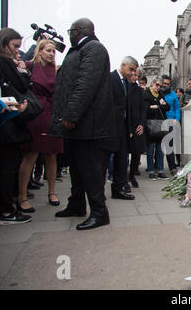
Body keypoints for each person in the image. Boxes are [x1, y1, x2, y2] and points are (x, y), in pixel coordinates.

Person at [49, 18, 114, 231]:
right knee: (76, 169)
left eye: (70, 30)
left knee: (91, 171)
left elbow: (85, 85)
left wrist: (71, 114)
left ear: (77, 31)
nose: (68, 34)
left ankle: (99, 212)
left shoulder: (93, 48)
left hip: (89, 125)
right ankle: (76, 204)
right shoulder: (81, 48)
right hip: (79, 126)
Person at [0, 22, 32, 225]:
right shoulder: (1, 60)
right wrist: (22, 71)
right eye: (15, 46)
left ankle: (4, 206)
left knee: (8, 164)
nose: (17, 50)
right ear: (3, 43)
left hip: (3, 118)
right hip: (5, 125)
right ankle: (4, 210)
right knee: (8, 165)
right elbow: (22, 84)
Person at [17, 39, 64, 213]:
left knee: (52, 155)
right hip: (36, 111)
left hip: (53, 112)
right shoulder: (29, 66)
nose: (52, 54)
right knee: (31, 154)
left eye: (54, 51)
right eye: (48, 50)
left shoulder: (57, 70)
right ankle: (22, 195)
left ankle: (52, 192)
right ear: (40, 50)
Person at [101, 56, 140, 200]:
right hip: (109, 127)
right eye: (130, 69)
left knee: (122, 161)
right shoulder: (110, 79)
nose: (132, 73)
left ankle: (118, 189)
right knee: (104, 161)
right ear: (123, 65)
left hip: (123, 129)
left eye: (134, 71)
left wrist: (130, 128)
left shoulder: (128, 84)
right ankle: (99, 192)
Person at [144, 76, 170, 180]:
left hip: (160, 125)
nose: (158, 87)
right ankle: (151, 171)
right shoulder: (146, 93)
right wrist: (159, 106)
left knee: (160, 150)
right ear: (152, 84)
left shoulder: (161, 95)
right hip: (150, 125)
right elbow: (146, 109)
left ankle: (160, 171)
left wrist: (157, 106)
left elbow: (167, 107)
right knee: (150, 150)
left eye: (160, 85)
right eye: (157, 85)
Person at [161, 75, 180, 176]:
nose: (165, 85)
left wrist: (177, 119)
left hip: (170, 122)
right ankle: (157, 167)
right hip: (160, 121)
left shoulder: (173, 95)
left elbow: (177, 108)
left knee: (169, 145)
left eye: (167, 84)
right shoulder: (158, 93)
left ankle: (172, 167)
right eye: (164, 83)